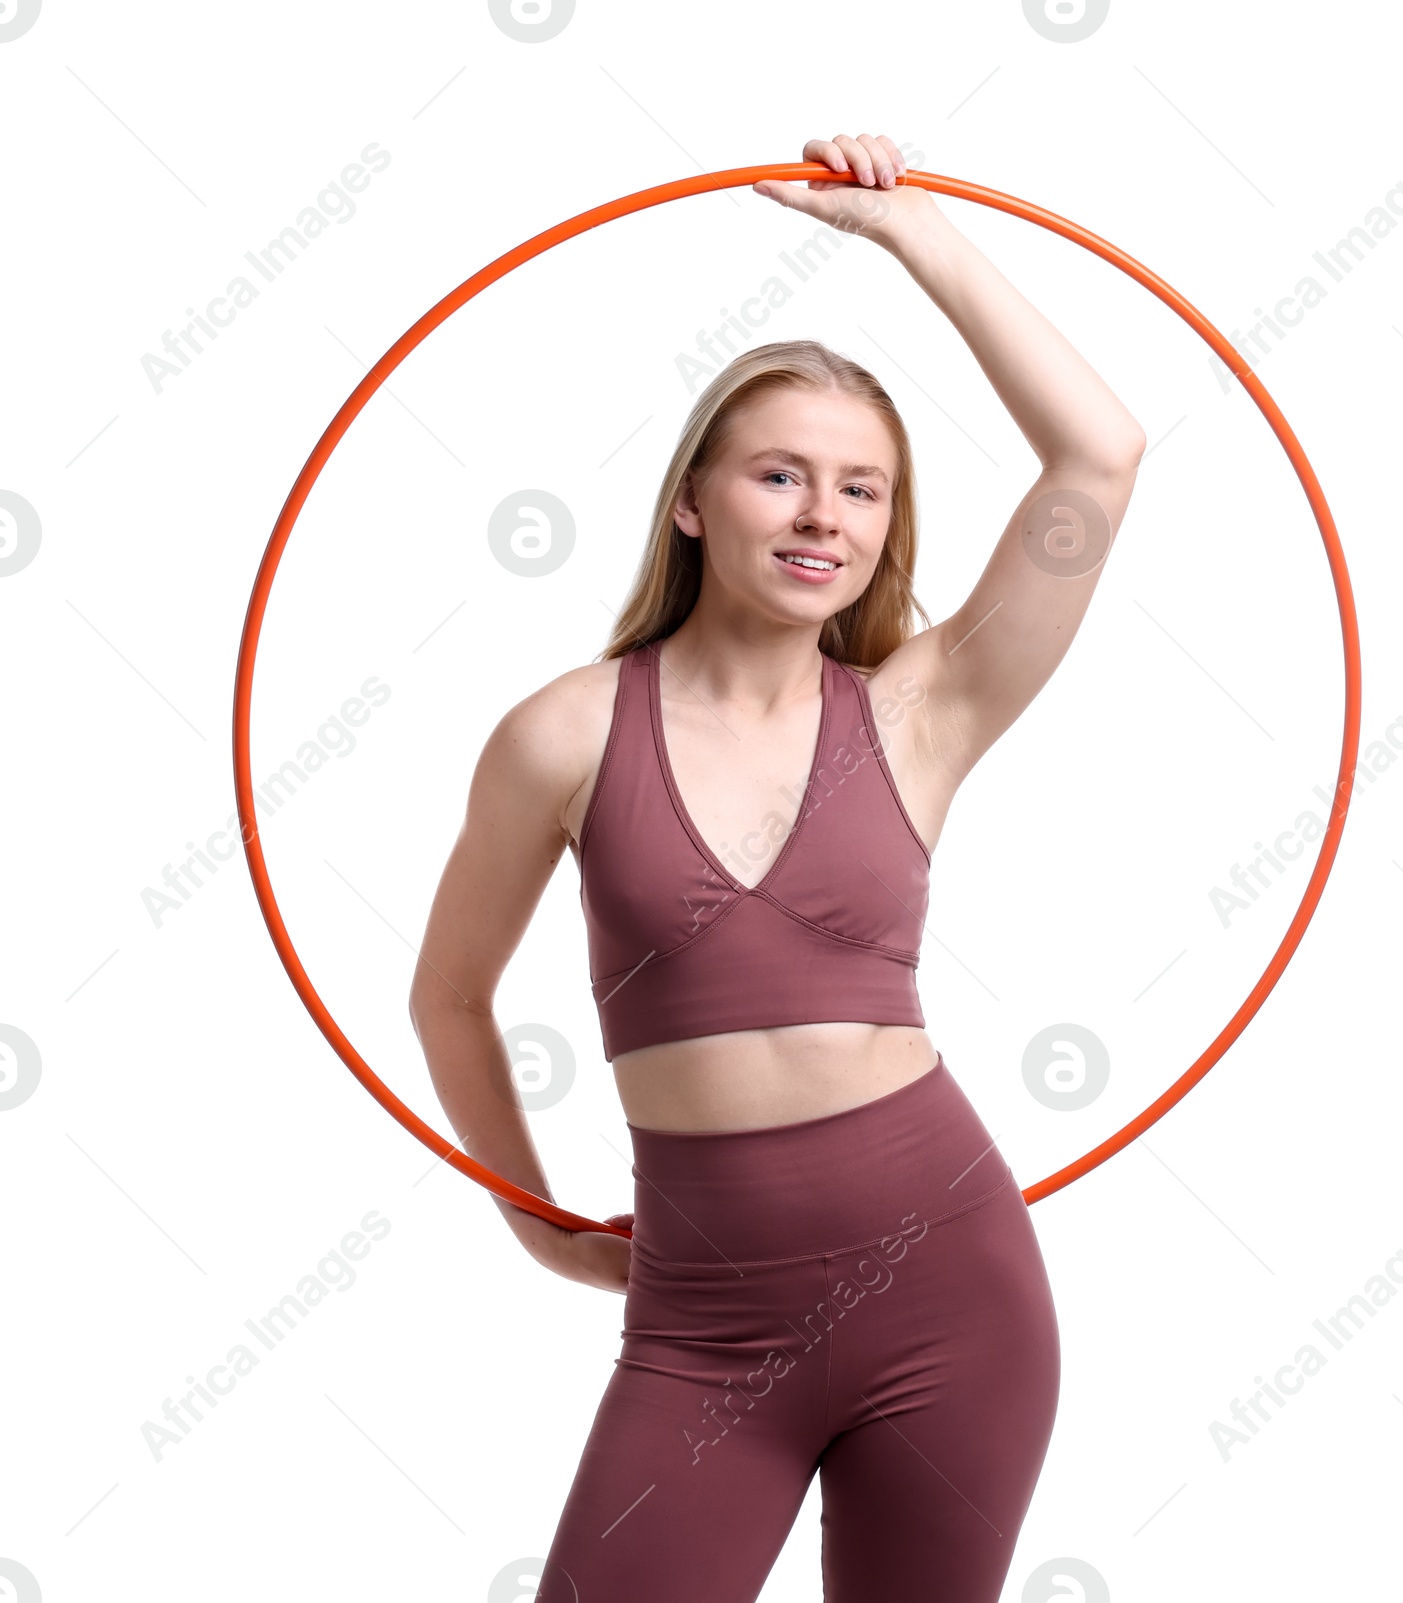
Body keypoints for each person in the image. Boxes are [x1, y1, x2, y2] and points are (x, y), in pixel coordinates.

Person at [409, 131, 1145, 1603]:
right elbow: (450, 1000)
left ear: (886, 530)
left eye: (862, 491)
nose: (823, 515)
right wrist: (544, 1225)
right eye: (780, 475)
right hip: (702, 1328)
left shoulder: (920, 714)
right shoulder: (561, 733)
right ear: (693, 500)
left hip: (955, 1297)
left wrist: (910, 232)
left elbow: (1101, 454)